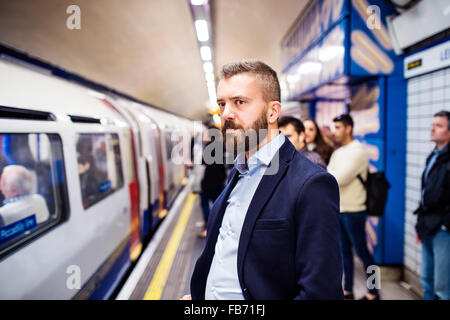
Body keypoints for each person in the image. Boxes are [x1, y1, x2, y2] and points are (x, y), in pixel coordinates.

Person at [184, 60, 342, 300]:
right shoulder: (239, 172)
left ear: (272, 111)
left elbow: (320, 294)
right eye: (221, 104)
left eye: (239, 102)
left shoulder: (311, 184)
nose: (226, 114)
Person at [327, 114, 379, 300]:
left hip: (355, 210)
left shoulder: (358, 151)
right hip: (339, 209)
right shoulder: (338, 152)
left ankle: (374, 290)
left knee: (363, 252)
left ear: (349, 128)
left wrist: (331, 175)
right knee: (344, 254)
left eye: (338, 127)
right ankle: (347, 291)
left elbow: (337, 178)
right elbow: (329, 175)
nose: (334, 132)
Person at [414, 110, 450, 300]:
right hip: (428, 226)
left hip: (443, 230)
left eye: (439, 125)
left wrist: (444, 223)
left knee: (443, 287)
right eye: (433, 124)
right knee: (426, 280)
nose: (433, 128)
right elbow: (425, 194)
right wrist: (420, 225)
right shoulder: (434, 156)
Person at [198, 126, 227, 239]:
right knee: (216, 204)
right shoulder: (223, 146)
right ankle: (215, 226)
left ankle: (208, 227)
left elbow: (203, 162)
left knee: (205, 203)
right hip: (220, 179)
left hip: (209, 180)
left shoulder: (209, 147)